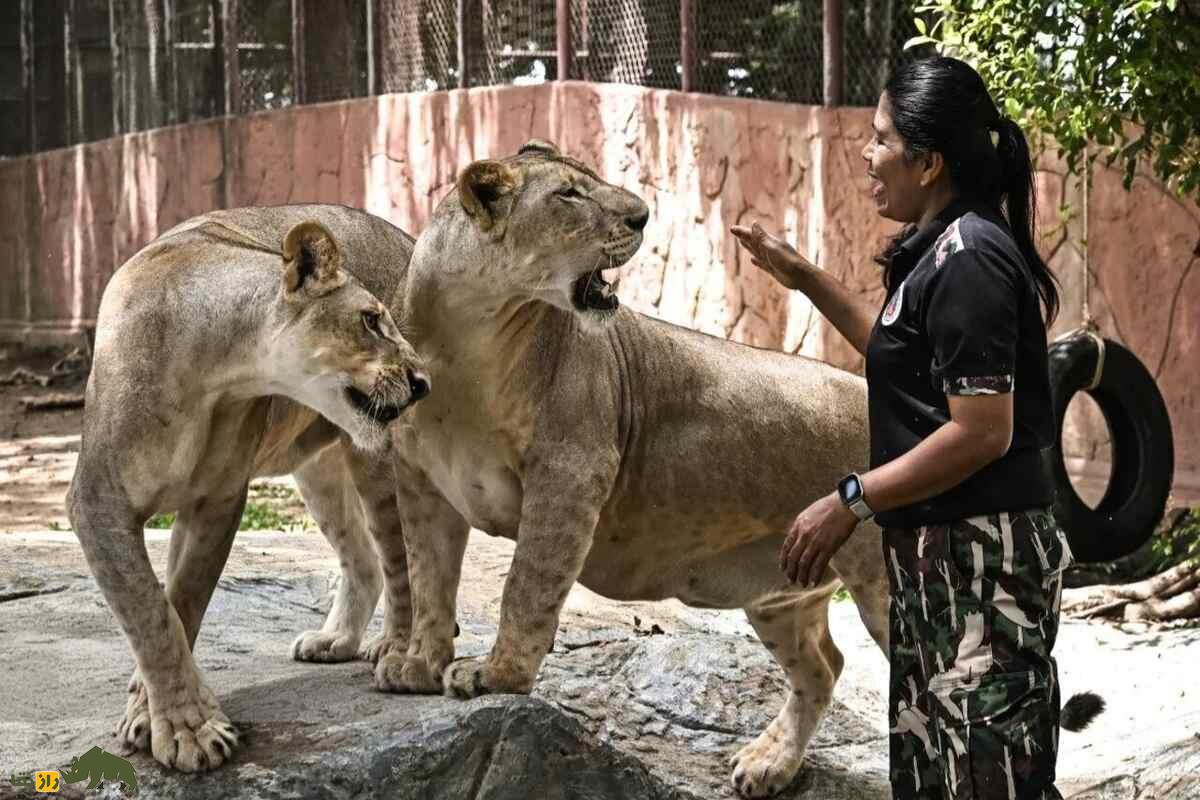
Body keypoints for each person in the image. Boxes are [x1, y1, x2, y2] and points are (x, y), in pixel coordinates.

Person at [732, 56, 1075, 799]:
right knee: (936, 771)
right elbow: (898, 355)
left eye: (881, 139)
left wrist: (849, 499)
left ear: (929, 162)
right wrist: (804, 277)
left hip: (983, 560)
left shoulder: (971, 259)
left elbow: (981, 431)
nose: (867, 153)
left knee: (990, 775)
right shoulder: (935, 252)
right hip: (936, 560)